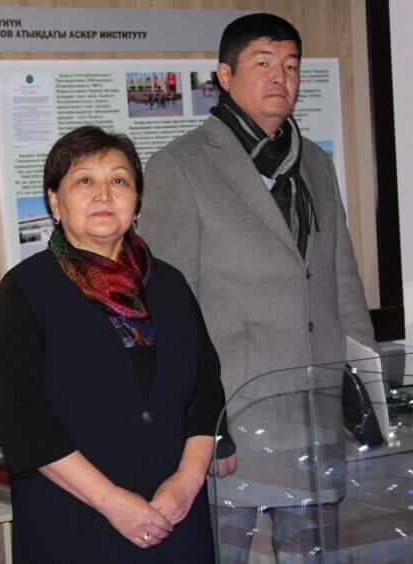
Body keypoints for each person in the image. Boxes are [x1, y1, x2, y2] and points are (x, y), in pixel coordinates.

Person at [138, 13, 377, 561]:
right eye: (263, 62)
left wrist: (363, 389)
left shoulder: (315, 163)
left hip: (314, 422)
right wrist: (200, 424)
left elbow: (342, 281)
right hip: (233, 429)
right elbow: (167, 310)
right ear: (225, 76)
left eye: (291, 66)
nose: (280, 77)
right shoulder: (181, 166)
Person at [0, 125, 228, 562]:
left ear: (136, 200)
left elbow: (207, 394)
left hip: (175, 517)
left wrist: (186, 483)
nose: (104, 194)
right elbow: (25, 425)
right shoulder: (25, 291)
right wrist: (114, 502)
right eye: (84, 180)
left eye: (119, 180)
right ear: (54, 202)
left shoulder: (169, 284)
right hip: (74, 523)